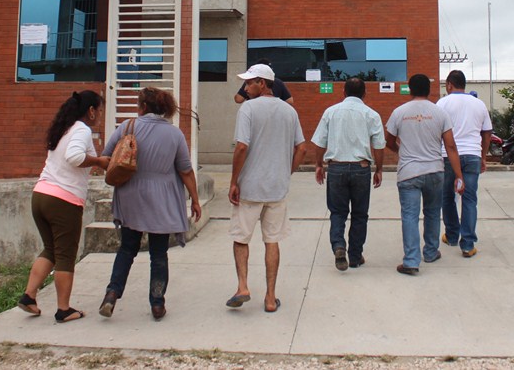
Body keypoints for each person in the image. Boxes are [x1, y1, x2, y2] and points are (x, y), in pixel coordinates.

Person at [98, 87, 202, 322]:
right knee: (158, 253)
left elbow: (106, 158)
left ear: (143, 107)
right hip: (162, 199)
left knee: (127, 248)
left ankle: (112, 294)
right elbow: (186, 171)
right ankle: (157, 303)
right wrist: (195, 200)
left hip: (130, 195)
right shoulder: (174, 135)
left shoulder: (127, 127)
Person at [18, 90, 109, 322]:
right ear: (90, 111)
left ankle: (29, 296)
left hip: (41, 195)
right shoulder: (82, 129)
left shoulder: (63, 129)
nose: (100, 115)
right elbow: (75, 157)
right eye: (99, 111)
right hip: (63, 200)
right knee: (66, 255)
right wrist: (99, 161)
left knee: (50, 249)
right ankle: (64, 309)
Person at [227, 63, 308, 313]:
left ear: (262, 83)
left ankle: (243, 287)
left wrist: (233, 181)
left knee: (241, 238)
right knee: (271, 241)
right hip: (276, 188)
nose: (246, 87)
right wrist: (288, 171)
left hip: (250, 187)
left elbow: (242, 147)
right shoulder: (289, 111)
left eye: (249, 82)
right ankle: (271, 298)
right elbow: (301, 148)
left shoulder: (248, 108)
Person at [385, 74, 463, 275]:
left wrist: (400, 150)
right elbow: (451, 146)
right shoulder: (440, 113)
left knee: (410, 216)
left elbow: (389, 140)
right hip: (435, 170)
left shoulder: (399, 112)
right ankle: (430, 252)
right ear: (428, 90)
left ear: (410, 89)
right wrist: (458, 175)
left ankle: (411, 261)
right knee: (432, 212)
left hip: (409, 172)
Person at [311, 77, 385, 270]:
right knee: (360, 214)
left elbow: (320, 143)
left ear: (343, 92)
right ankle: (355, 256)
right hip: (361, 169)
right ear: (364, 94)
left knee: (337, 212)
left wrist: (319, 165)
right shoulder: (372, 115)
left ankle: (338, 245)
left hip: (336, 168)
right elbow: (378, 146)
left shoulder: (331, 112)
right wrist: (379, 169)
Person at [438, 70, 493, 258]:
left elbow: (436, 131)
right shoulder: (479, 104)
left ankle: (452, 235)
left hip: (448, 157)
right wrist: (483, 156)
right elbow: (487, 132)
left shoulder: (442, 103)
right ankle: (468, 245)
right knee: (469, 199)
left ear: (449, 85)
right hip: (472, 156)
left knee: (447, 197)